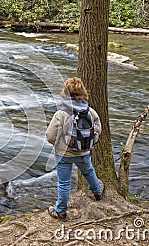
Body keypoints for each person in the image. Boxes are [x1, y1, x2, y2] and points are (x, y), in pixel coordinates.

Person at [45, 77, 103, 220]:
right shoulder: (90, 111)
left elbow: (50, 135)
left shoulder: (61, 113)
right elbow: (98, 129)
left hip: (64, 154)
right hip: (84, 152)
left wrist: (58, 144)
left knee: (64, 183)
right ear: (82, 92)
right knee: (89, 171)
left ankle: (60, 211)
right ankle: (97, 192)